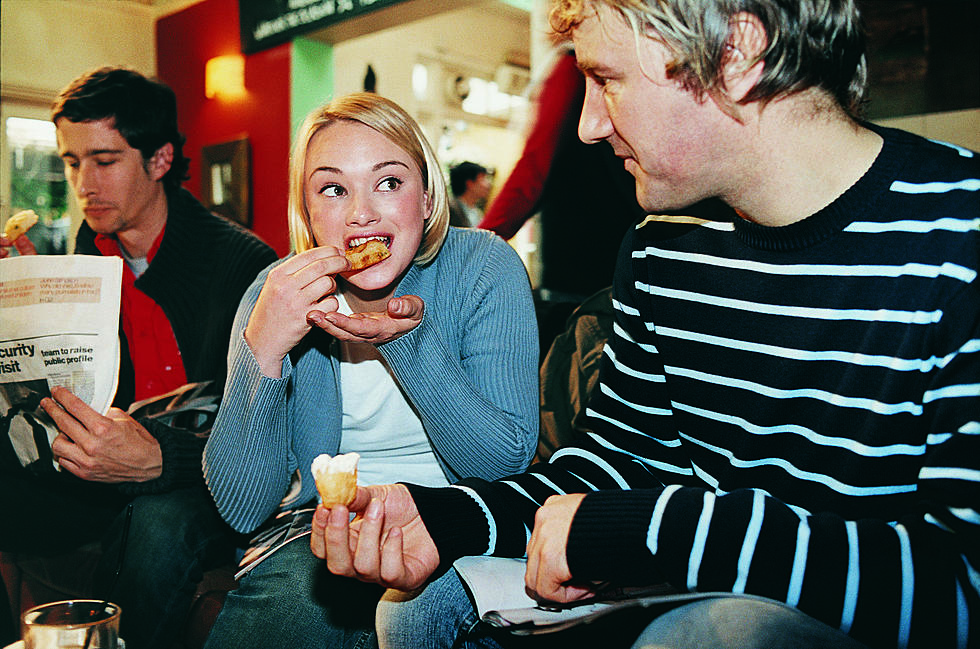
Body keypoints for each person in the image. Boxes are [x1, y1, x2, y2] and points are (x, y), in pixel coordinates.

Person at [309, 1, 980, 648]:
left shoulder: (962, 235)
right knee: (418, 607)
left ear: (736, 53)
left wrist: (662, 528)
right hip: (695, 574)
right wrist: (450, 515)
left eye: (606, 80)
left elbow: (964, 587)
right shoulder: (662, 244)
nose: (588, 125)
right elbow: (615, 463)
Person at [201, 92, 538, 649]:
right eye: (333, 189)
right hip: (324, 526)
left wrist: (409, 343)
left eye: (389, 182)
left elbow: (503, 462)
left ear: (426, 198)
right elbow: (243, 507)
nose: (363, 213)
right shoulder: (275, 294)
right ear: (308, 215)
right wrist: (259, 351)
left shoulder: (483, 265)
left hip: (459, 521)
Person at [0, 67, 278, 649]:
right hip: (108, 458)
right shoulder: (87, 247)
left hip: (201, 474)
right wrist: (28, 298)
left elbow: (268, 439)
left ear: (159, 160)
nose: (83, 184)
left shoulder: (241, 263)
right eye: (72, 162)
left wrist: (160, 460)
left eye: (104, 161)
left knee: (159, 522)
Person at [478, 46, 646, 302]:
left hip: (580, 267)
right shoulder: (622, 63)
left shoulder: (575, 68)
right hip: (623, 257)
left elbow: (535, 168)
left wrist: (479, 244)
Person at [448, 161, 492, 227]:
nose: (488, 184)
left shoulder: (477, 212)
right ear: (469, 183)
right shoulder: (450, 211)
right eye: (483, 179)